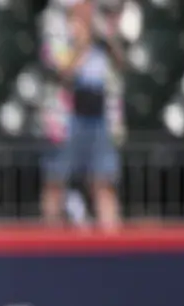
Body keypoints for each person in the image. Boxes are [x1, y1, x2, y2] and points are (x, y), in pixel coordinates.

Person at [40, 0, 123, 230]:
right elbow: (63, 72)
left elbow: (121, 64)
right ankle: (49, 243)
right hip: (66, 120)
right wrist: (82, 44)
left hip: (101, 117)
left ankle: (114, 246)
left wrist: (106, 39)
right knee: (56, 181)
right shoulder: (56, 33)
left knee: (103, 182)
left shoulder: (102, 33)